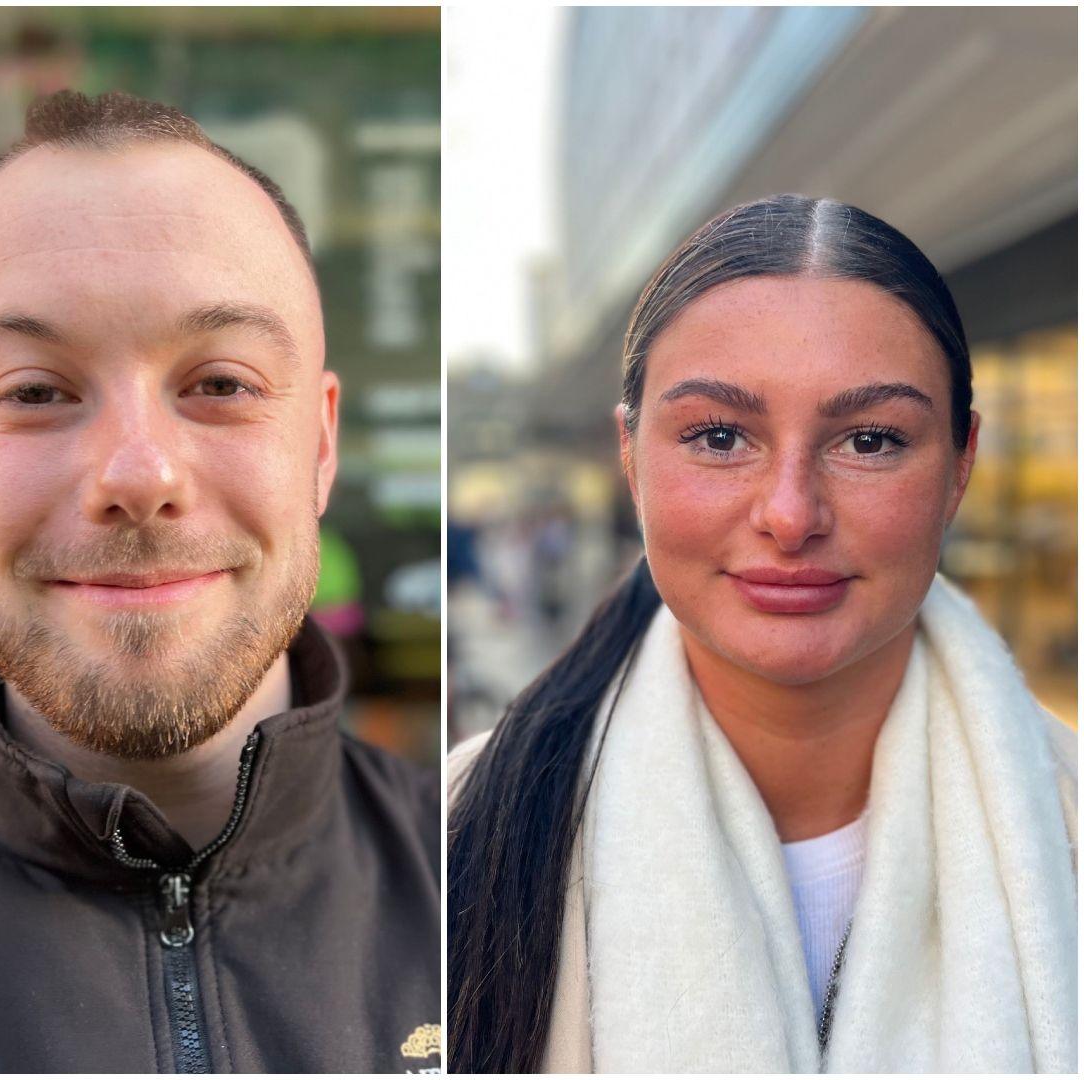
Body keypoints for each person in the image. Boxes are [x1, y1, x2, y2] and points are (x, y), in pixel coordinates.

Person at [0, 90, 441, 1072]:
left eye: (221, 384)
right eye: (35, 392)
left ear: (320, 443)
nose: (137, 474)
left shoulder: (501, 893)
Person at [446, 195, 1078, 1073]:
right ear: (630, 459)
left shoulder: (1069, 826)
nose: (790, 515)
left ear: (961, 466)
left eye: (869, 439)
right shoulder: (454, 833)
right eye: (717, 436)